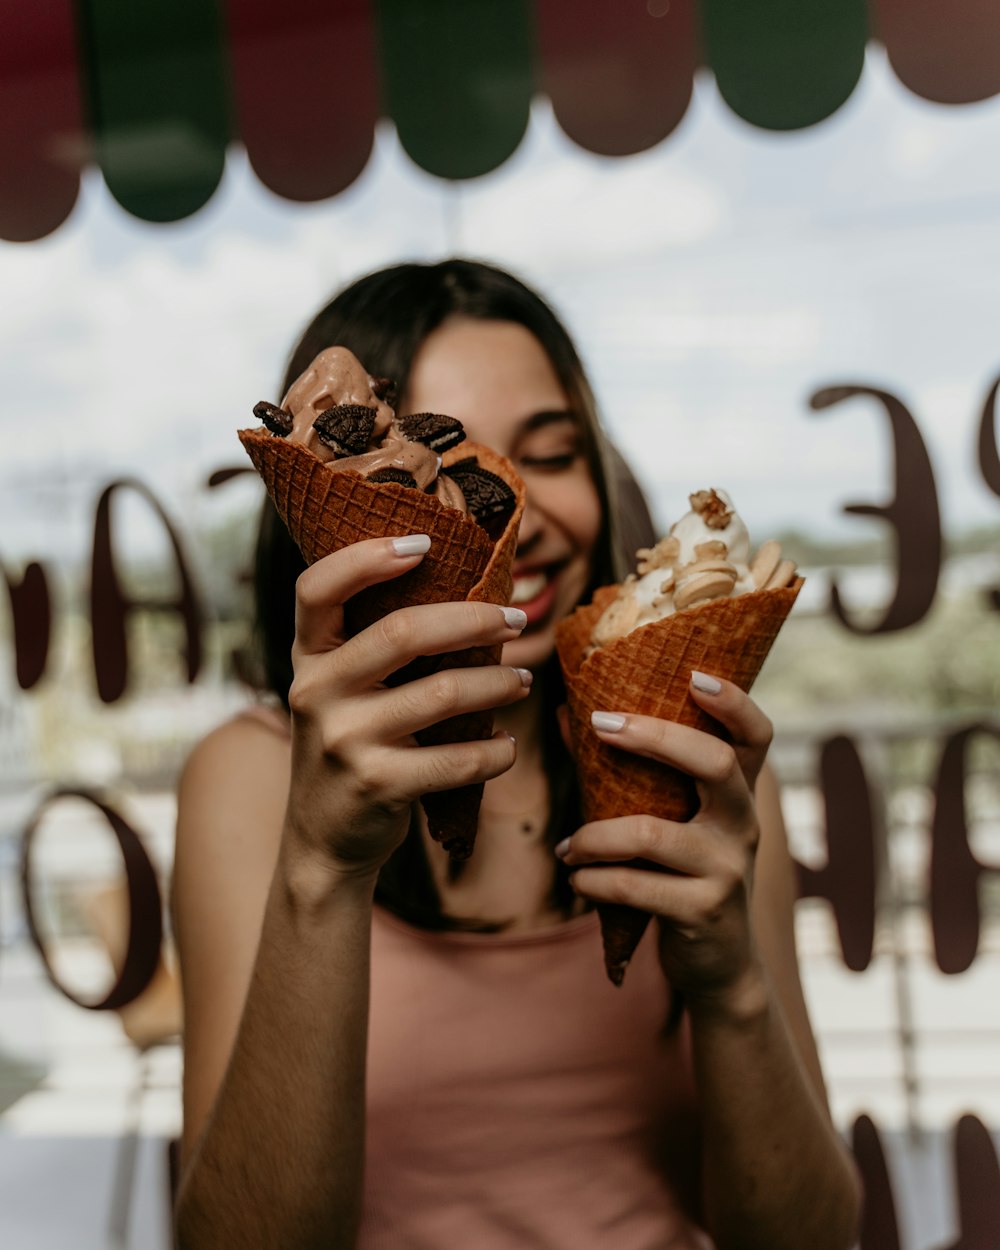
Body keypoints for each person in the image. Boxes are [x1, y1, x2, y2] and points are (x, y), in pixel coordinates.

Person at [172, 259, 862, 1249]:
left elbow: (809, 1235)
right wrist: (323, 867)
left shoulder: (695, 767)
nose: (523, 515)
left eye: (554, 450)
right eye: (455, 460)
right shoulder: (248, 777)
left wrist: (730, 982)